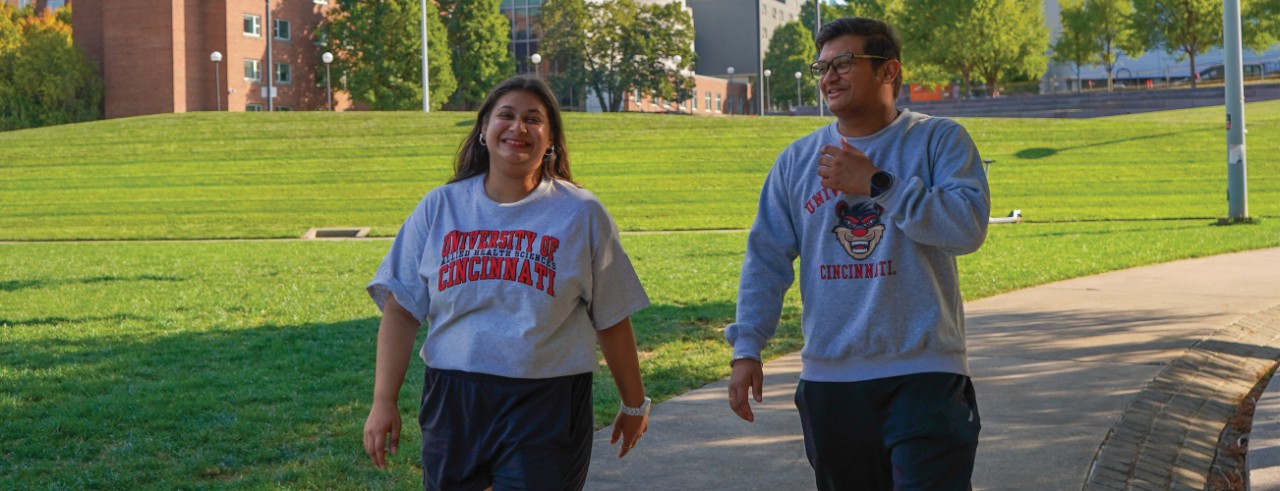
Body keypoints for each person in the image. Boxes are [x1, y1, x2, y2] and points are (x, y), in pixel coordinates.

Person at [724, 17, 990, 490]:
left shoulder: (939, 140)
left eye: (844, 63)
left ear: (889, 72)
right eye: (821, 67)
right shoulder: (796, 161)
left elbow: (966, 229)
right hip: (832, 380)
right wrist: (748, 347)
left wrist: (877, 184)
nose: (829, 77)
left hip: (925, 373)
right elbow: (765, 258)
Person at [362, 76, 652, 491]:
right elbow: (402, 308)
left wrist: (634, 402)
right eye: (506, 115)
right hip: (453, 397)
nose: (518, 128)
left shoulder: (581, 213)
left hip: (547, 401)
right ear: (483, 129)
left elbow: (611, 317)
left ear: (550, 138)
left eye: (533, 119)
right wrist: (383, 401)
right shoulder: (440, 206)